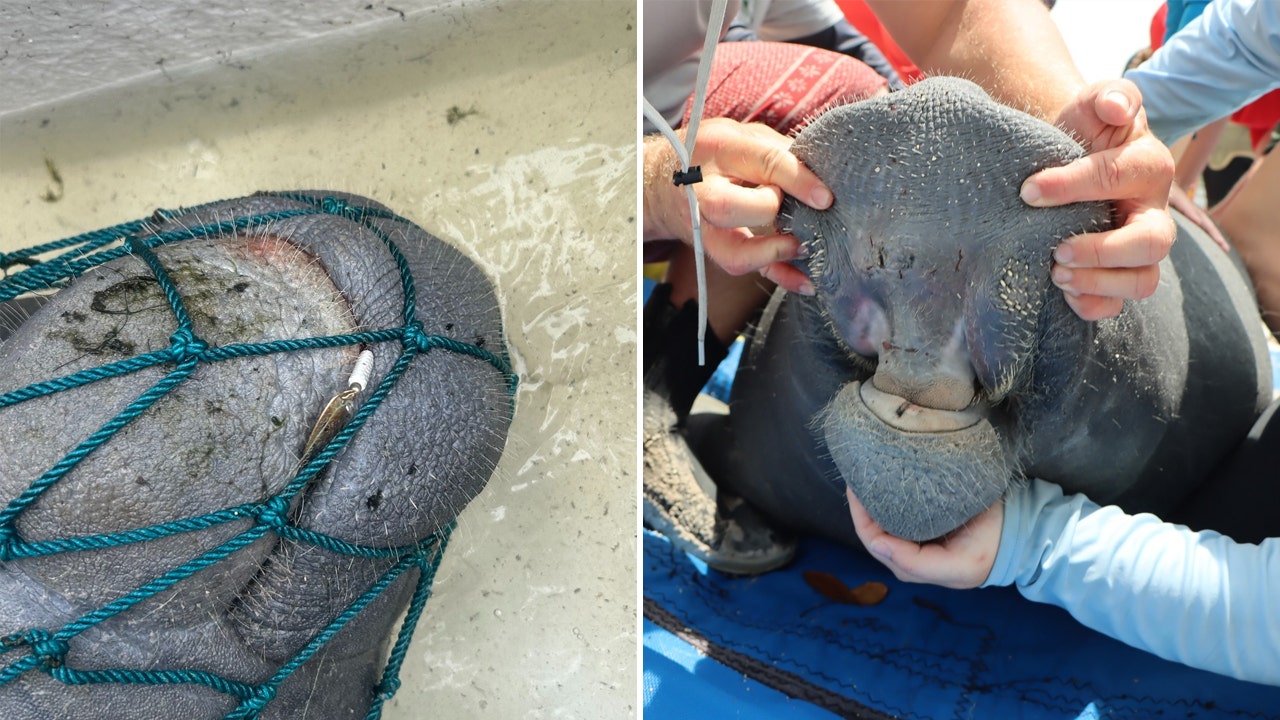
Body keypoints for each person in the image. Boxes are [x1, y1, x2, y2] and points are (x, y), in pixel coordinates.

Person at [643, 0, 1177, 573]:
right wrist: (649, 189)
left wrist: (1086, 146)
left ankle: (661, 371)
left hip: (663, 103)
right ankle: (647, 395)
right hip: (563, 163)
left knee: (840, 89)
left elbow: (952, 12)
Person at [1126, 0, 1280, 331]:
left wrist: (1176, 180)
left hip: (1241, 116)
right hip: (1223, 105)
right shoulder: (1172, 17)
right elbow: (1235, 47)